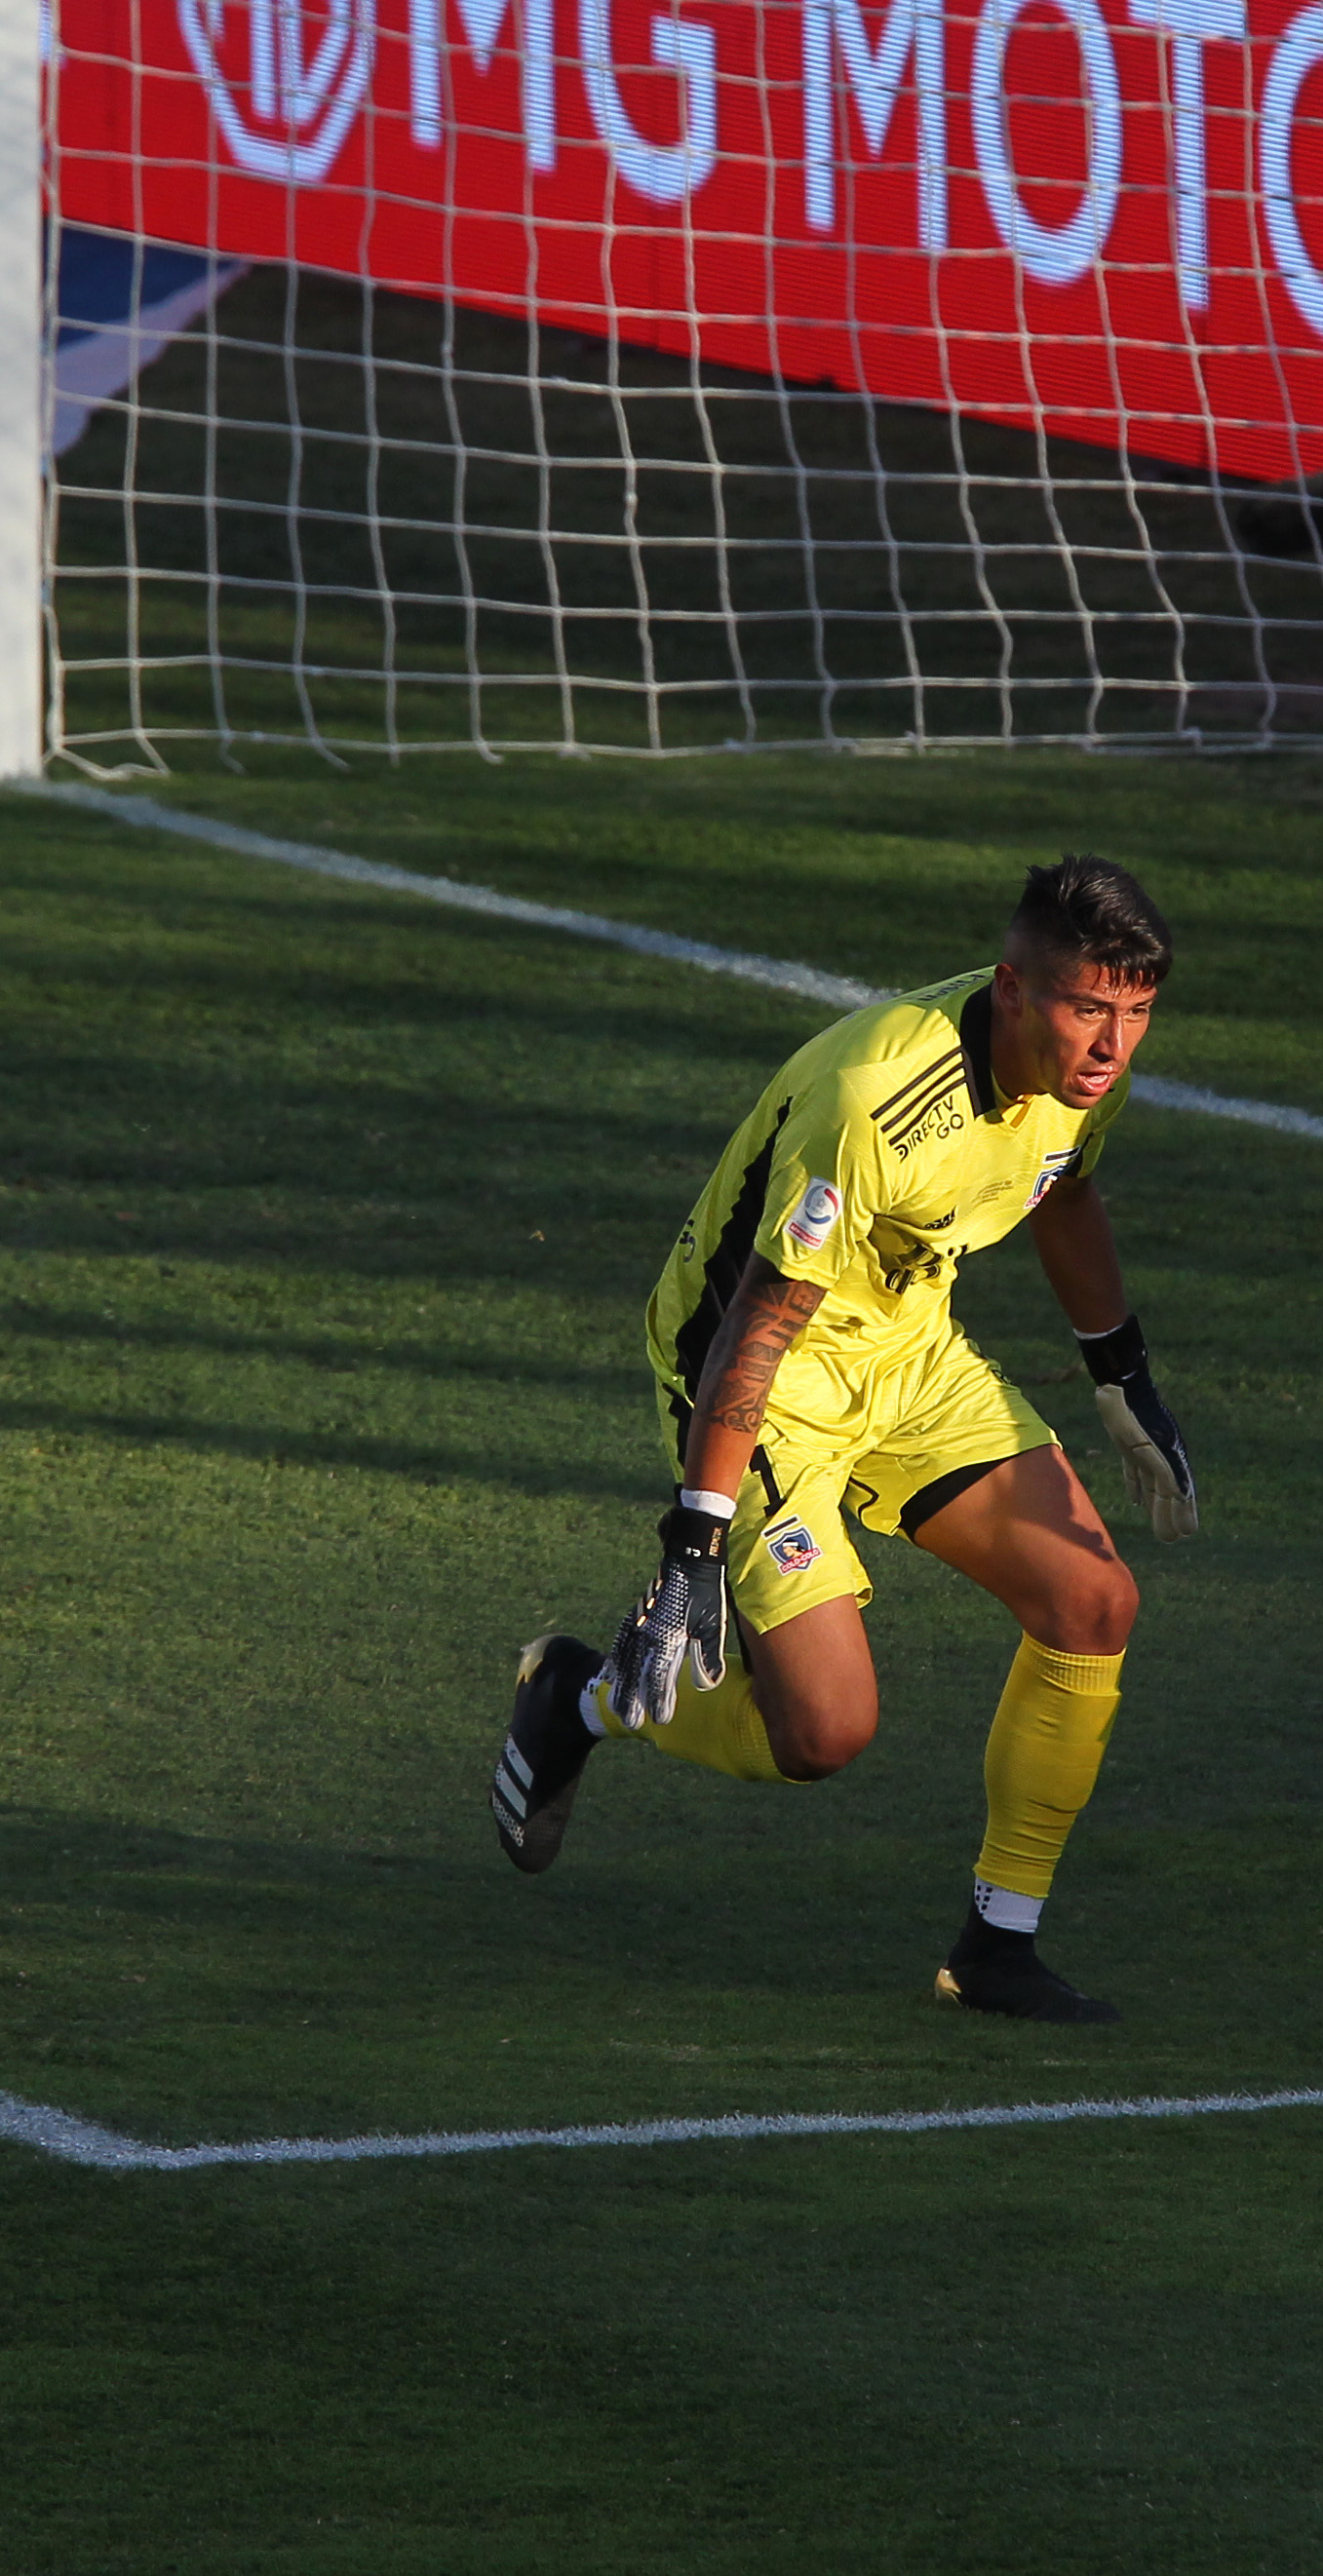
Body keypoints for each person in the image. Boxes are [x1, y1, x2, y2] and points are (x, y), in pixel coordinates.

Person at [487, 855, 1202, 2023]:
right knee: (824, 1731)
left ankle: (996, 1947)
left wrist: (1119, 1371)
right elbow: (758, 1326)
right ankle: (581, 1696)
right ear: (1016, 993)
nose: (1113, 1044)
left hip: (906, 1349)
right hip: (763, 1373)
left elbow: (1063, 1191)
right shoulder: (874, 1097)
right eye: (1089, 1010)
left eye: (1135, 1014)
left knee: (1093, 1604)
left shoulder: (1086, 1069)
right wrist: (693, 1544)